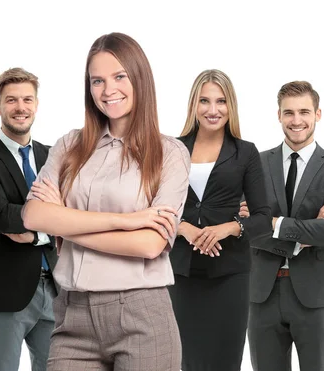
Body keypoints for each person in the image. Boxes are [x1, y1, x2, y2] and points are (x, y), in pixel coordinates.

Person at [21, 32, 189, 371]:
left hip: (142, 316)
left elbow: (149, 243)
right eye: (97, 80)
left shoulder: (169, 154)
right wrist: (126, 221)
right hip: (72, 315)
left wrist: (65, 224)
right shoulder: (69, 145)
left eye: (119, 76)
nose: (108, 89)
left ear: (140, 78)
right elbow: (33, 215)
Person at [166, 69, 271, 371]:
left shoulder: (246, 153)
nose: (213, 110)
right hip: (181, 273)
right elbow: (151, 209)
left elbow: (263, 218)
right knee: (186, 361)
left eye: (221, 101)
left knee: (225, 362)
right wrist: (184, 228)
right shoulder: (171, 149)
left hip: (231, 275)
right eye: (205, 101)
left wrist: (228, 228)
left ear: (231, 106)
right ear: (193, 105)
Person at [245, 81, 324, 371]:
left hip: (316, 294)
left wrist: (273, 222)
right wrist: (302, 235)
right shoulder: (254, 164)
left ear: (318, 114)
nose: (296, 120)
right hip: (262, 293)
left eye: (304, 111)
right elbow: (245, 228)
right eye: (288, 112)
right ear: (278, 115)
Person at [0, 67, 58, 371]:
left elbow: (72, 212)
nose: (21, 108)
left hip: (55, 288)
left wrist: (37, 233)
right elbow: (3, 218)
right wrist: (54, 222)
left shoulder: (52, 155)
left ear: (37, 104)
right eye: (12, 100)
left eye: (27, 99)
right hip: (6, 291)